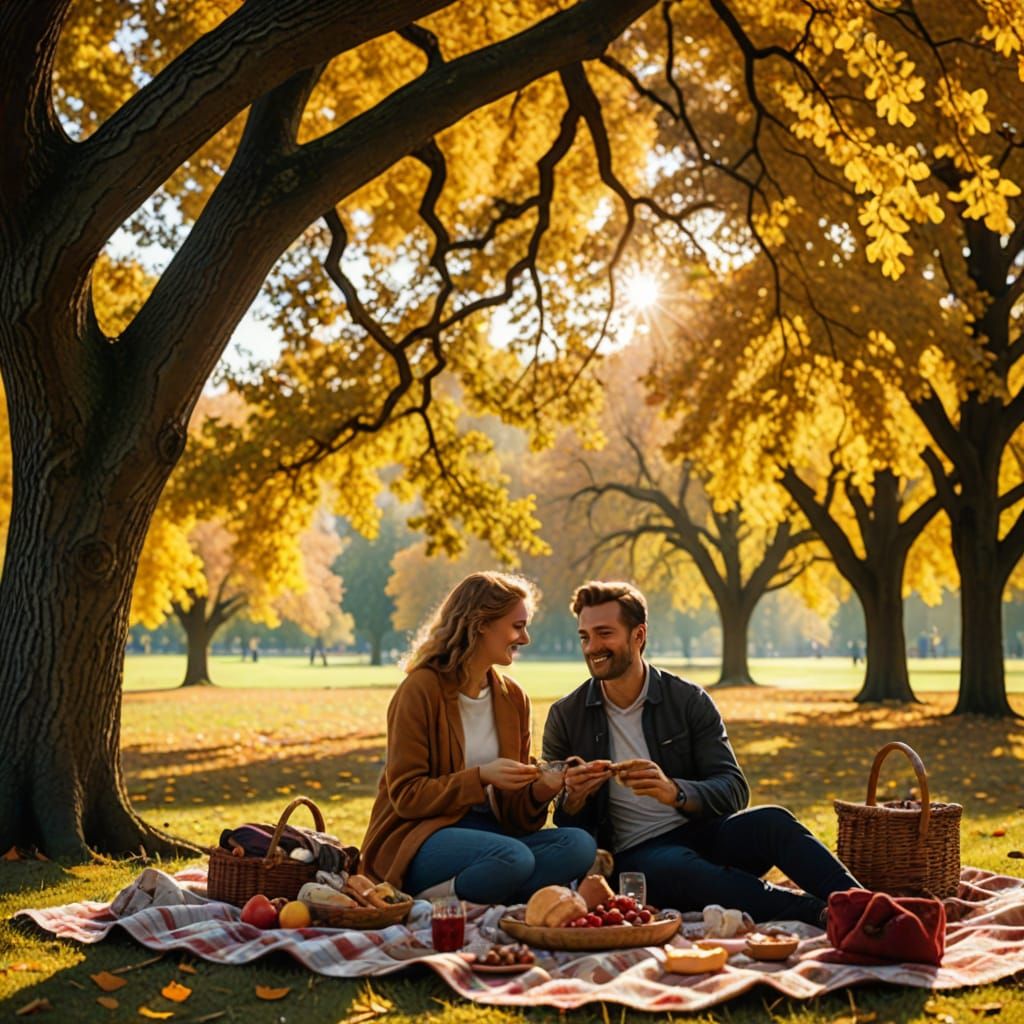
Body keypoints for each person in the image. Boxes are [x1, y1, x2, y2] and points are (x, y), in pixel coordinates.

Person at [542, 580, 859, 925]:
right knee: (678, 867)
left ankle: (866, 905)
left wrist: (674, 791)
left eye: (604, 633)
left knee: (774, 821)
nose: (592, 647)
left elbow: (734, 789)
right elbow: (566, 826)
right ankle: (824, 915)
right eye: (585, 637)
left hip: (706, 834)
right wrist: (574, 799)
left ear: (638, 635)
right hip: (637, 858)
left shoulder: (688, 700)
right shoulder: (566, 715)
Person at [360, 571, 596, 905]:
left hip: (493, 835)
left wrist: (544, 787)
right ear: (481, 623)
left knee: (578, 845)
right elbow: (406, 796)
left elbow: (517, 816)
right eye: (517, 626)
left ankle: (481, 890)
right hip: (423, 835)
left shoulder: (513, 698)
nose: (525, 638)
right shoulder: (420, 690)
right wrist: (481, 777)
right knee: (514, 858)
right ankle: (426, 898)